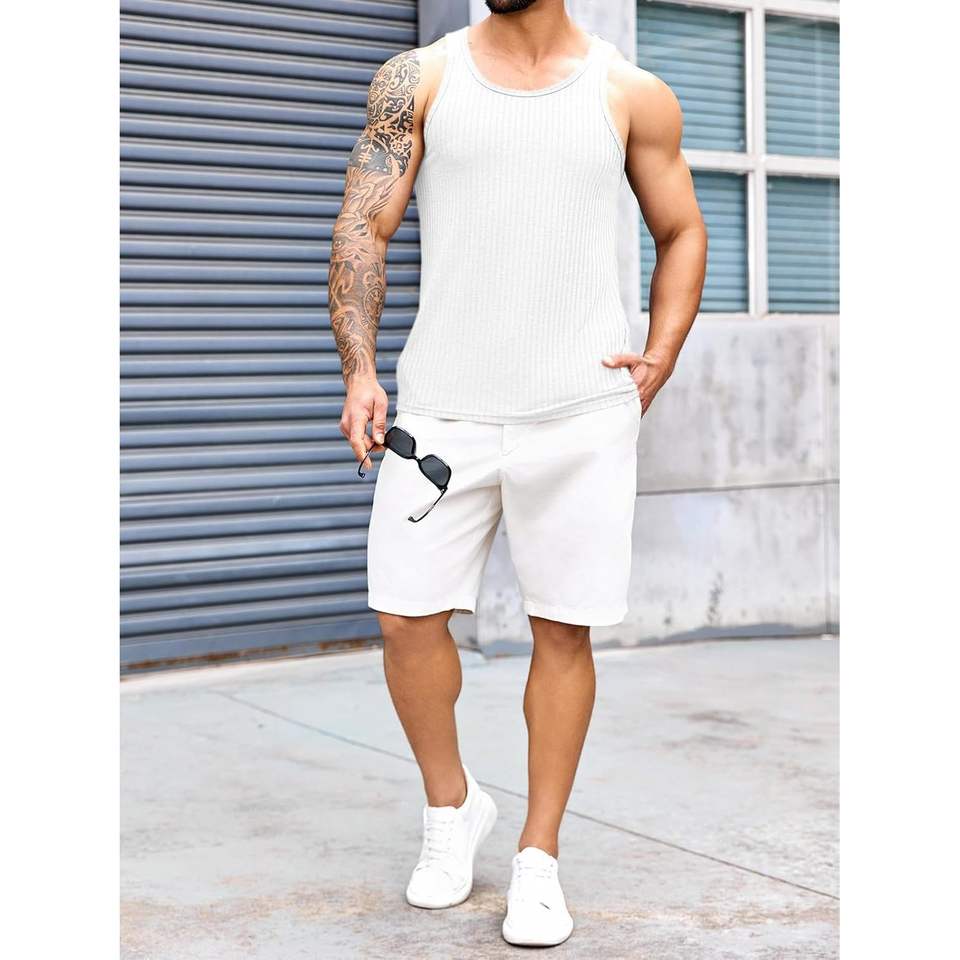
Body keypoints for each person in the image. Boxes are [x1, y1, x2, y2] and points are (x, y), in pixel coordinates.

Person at [328, 0, 706, 947]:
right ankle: (452, 808)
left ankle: (539, 857)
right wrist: (361, 371)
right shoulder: (418, 78)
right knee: (405, 616)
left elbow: (682, 230)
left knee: (563, 631)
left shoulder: (631, 92)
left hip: (579, 412)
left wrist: (660, 352)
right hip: (441, 408)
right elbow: (364, 226)